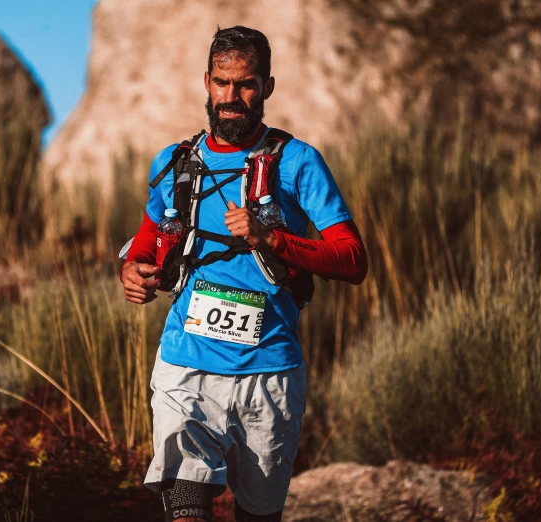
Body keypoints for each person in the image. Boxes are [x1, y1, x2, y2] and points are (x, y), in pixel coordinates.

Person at [120, 25, 368, 522]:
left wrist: (272, 238)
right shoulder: (175, 162)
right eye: (221, 83)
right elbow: (147, 237)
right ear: (206, 83)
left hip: (270, 375)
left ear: (267, 87)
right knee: (185, 508)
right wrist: (132, 269)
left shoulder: (299, 163)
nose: (232, 98)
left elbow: (353, 259)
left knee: (259, 515)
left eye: (246, 84)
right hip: (185, 366)